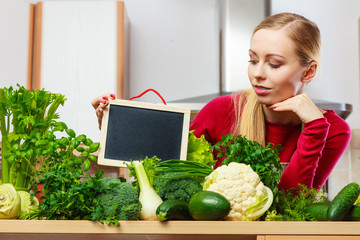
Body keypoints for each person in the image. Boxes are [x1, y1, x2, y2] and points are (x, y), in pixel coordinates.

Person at [91, 13, 351, 191]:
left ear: (308, 71)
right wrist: (116, 127)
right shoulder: (221, 110)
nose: (257, 72)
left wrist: (315, 127)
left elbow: (292, 203)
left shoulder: (332, 129)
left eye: (274, 64)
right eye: (252, 59)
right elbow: (163, 170)